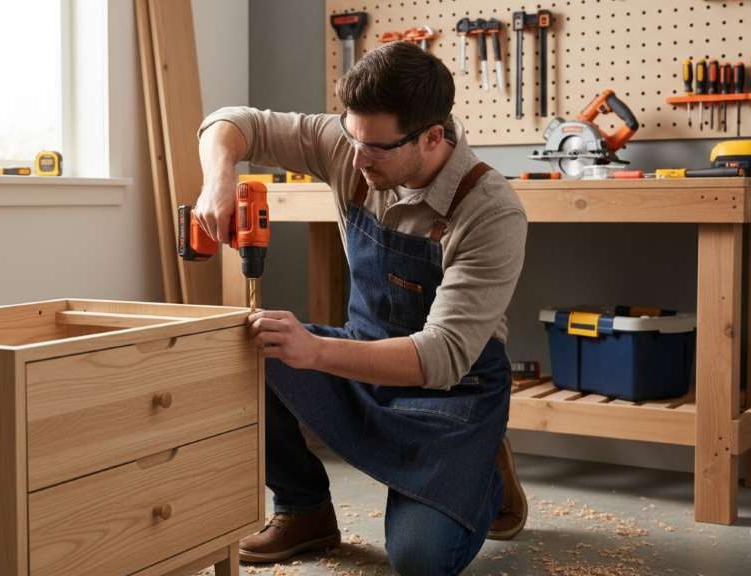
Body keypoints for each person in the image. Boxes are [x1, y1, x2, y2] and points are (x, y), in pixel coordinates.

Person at [194, 41, 528, 575]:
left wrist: (315, 350)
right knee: (249, 345)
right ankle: (304, 509)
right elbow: (231, 122)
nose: (354, 158)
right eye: (351, 137)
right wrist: (219, 178)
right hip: (362, 354)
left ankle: (483, 469)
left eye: (375, 148)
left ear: (432, 138)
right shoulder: (353, 141)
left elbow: (441, 356)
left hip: (452, 392)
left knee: (419, 560)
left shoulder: (490, 211)